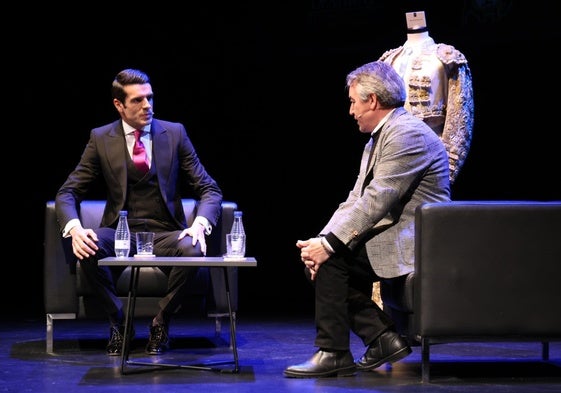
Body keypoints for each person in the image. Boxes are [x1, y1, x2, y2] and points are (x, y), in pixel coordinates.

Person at [283, 61, 451, 378]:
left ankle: (334, 352)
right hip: (391, 233)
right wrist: (322, 239)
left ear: (372, 100)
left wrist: (329, 246)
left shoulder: (407, 135)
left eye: (352, 102)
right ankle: (382, 338)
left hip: (413, 240)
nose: (350, 111)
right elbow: (355, 198)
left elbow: (378, 198)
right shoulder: (380, 136)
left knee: (332, 261)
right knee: (322, 260)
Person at [55, 68, 223, 356]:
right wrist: (75, 228)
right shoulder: (100, 138)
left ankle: (161, 320)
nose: (147, 106)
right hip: (121, 232)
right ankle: (120, 321)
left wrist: (200, 225)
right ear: (119, 105)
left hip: (165, 231)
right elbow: (67, 192)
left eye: (150, 98)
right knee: (88, 247)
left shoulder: (175, 133)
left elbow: (209, 188)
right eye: (137, 100)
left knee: (194, 249)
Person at [378, 11, 474, 184]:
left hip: (431, 154)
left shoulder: (447, 58)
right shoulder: (387, 60)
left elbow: (459, 121)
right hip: (390, 155)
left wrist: (447, 172)